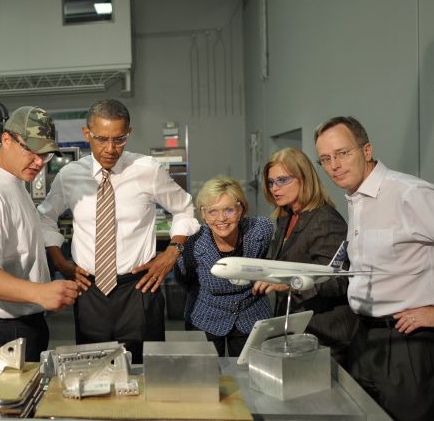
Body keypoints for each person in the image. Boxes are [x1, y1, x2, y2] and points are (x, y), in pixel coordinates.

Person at [314, 115, 434, 421]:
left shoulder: (409, 193)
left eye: (342, 153)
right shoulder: (357, 200)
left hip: (412, 342)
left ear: (366, 151)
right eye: (325, 159)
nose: (334, 166)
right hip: (365, 337)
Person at [37, 99, 199, 362]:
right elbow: (44, 218)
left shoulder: (147, 170)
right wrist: (60, 262)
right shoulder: (70, 175)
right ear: (86, 134)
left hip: (139, 288)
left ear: (129, 133)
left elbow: (185, 208)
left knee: (144, 370)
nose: (111, 149)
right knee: (92, 371)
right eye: (101, 139)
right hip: (89, 290)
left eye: (119, 139)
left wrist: (172, 252)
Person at [0, 106, 79, 361]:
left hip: (21, 323)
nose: (38, 162)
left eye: (44, 155)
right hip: (0, 332)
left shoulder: (12, 182)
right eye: (31, 151)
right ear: (7, 140)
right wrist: (40, 293)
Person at [251, 147, 357, 366]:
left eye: (282, 180)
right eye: (271, 182)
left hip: (327, 332)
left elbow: (340, 279)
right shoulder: (287, 216)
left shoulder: (324, 219)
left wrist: (289, 283)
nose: (275, 189)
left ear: (304, 178)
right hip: (299, 330)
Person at [173, 175, 272, 357]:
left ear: (240, 209)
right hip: (206, 316)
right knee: (206, 378)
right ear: (203, 214)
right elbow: (183, 279)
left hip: (252, 315)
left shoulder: (261, 230)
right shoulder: (192, 243)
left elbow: (270, 262)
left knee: (251, 375)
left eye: (228, 210)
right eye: (213, 211)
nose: (221, 219)